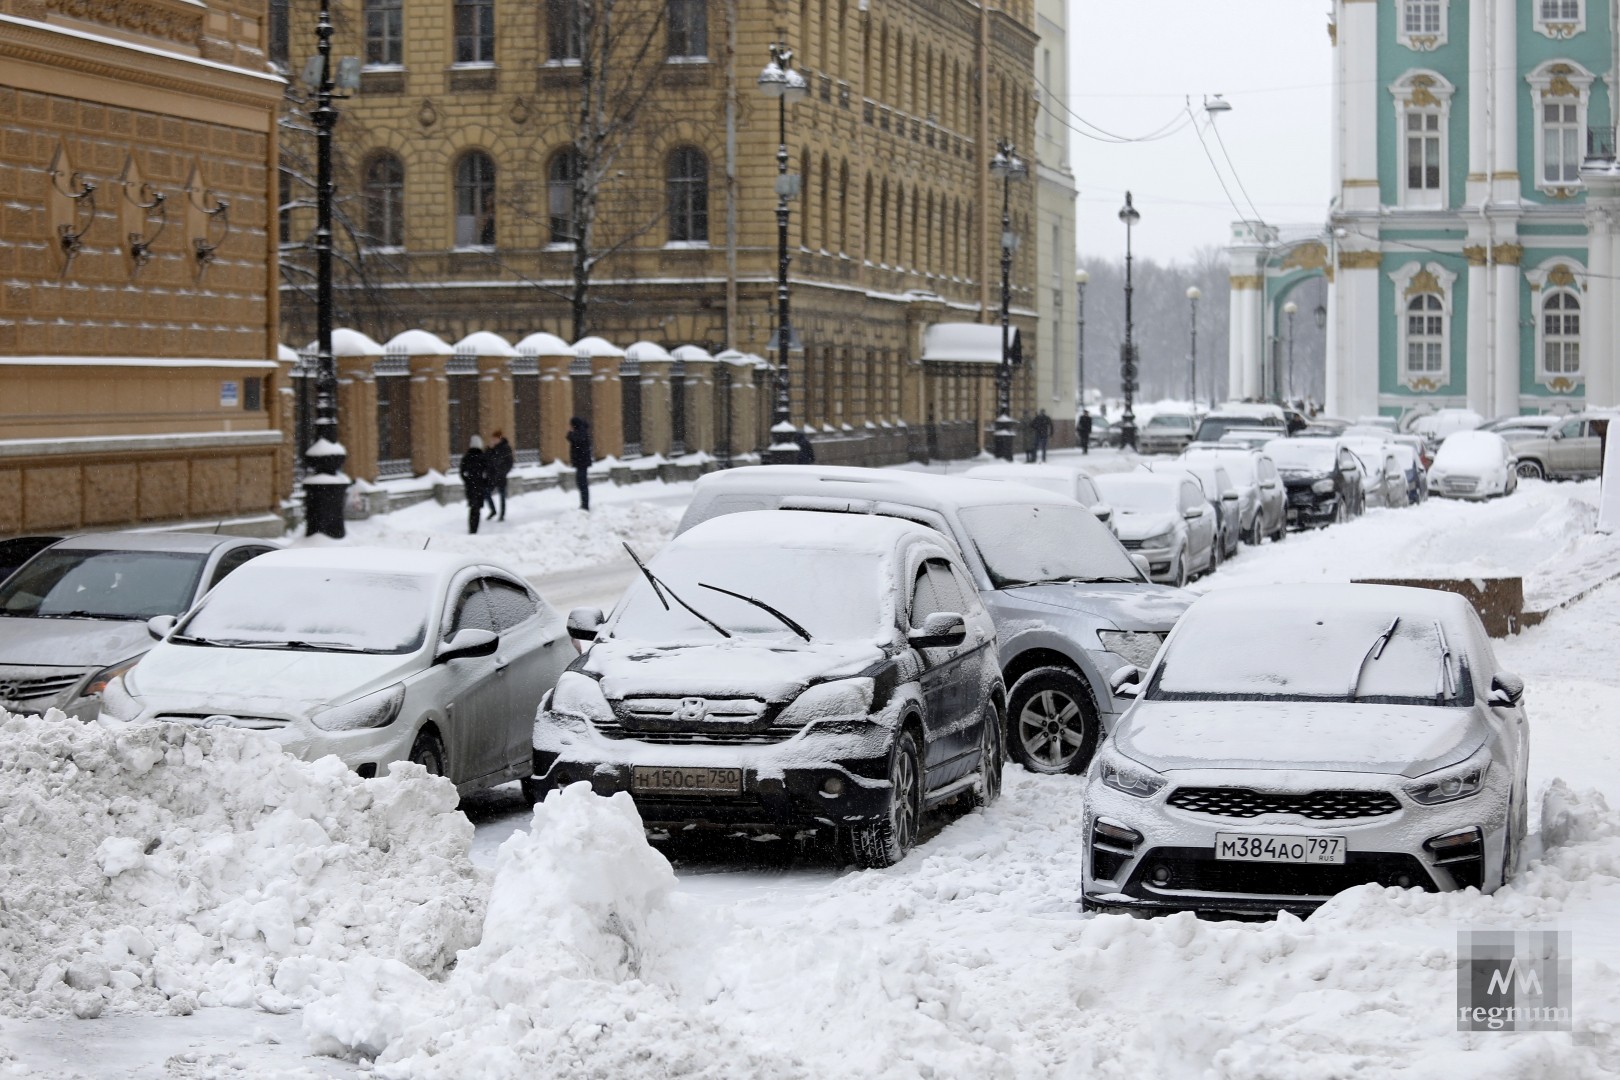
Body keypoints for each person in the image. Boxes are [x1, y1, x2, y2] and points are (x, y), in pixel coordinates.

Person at [459, 435, 491, 534]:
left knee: (473, 506)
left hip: (470, 486)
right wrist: (485, 482)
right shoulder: (483, 457)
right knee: (477, 507)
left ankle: (472, 528)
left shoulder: (467, 457)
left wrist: (467, 480)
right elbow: (487, 472)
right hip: (480, 485)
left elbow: (462, 471)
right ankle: (475, 527)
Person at [485, 429, 513, 521]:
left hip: (501, 476)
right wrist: (489, 449)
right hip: (491, 476)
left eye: (495, 439)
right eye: (492, 439)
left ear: (499, 439)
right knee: (486, 493)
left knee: (502, 496)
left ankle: (502, 515)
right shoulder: (491, 448)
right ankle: (493, 510)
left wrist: (502, 471)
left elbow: (509, 463)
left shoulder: (505, 448)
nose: (493, 440)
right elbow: (485, 460)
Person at [566, 416, 593, 511]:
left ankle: (585, 505)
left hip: (582, 462)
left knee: (582, 484)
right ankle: (584, 504)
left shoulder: (581, 432)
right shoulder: (582, 431)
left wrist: (569, 434)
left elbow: (576, 440)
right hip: (581, 462)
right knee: (581, 483)